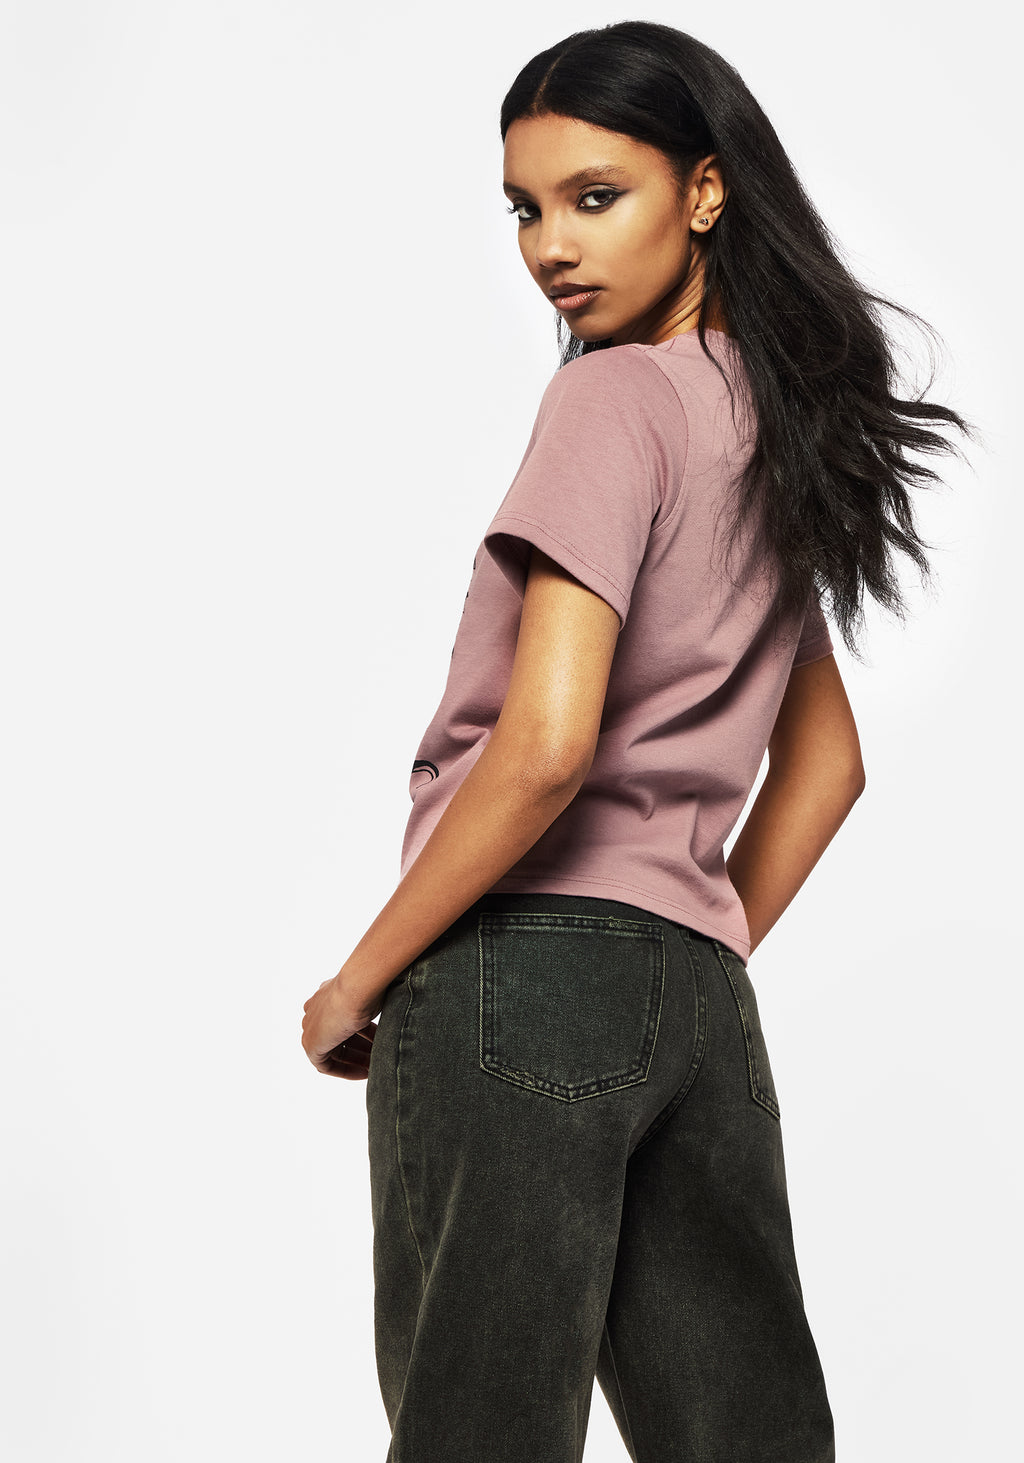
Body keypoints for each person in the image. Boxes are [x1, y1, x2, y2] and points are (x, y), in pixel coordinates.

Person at [301, 20, 975, 1462]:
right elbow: (829, 765)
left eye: (595, 197)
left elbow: (547, 747)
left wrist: (359, 979)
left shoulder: (612, 396)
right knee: (746, 1438)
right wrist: (691, 941)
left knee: (480, 1430)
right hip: (695, 999)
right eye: (525, 209)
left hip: (518, 967)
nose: (552, 246)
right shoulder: (770, 431)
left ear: (706, 191)